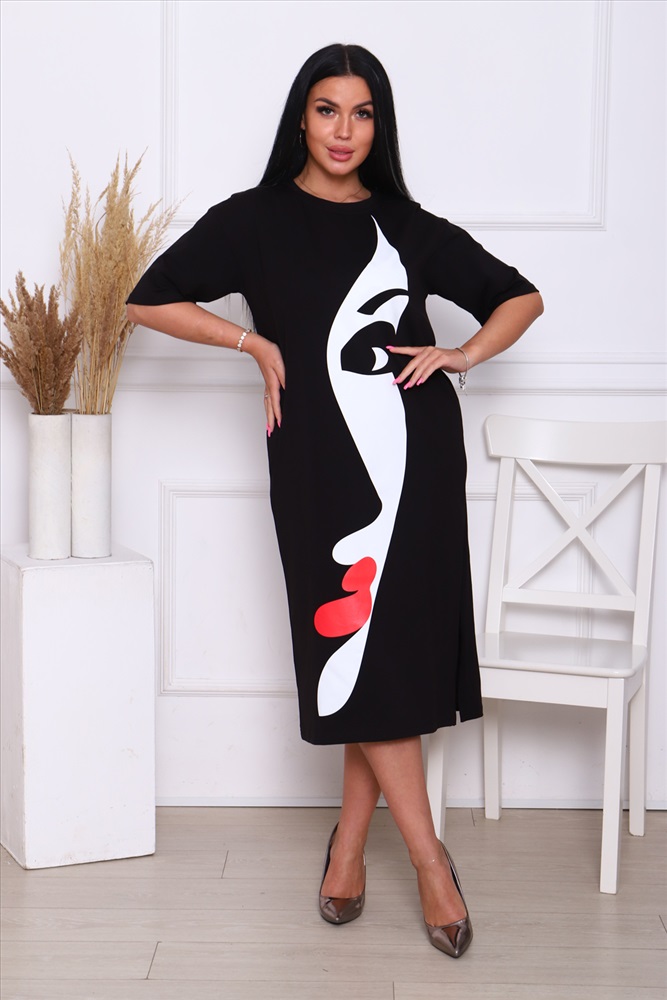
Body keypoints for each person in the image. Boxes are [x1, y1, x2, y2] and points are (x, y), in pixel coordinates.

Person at [127, 43, 543, 959]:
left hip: (414, 460)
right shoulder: (253, 220)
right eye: (326, 110)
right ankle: (406, 854)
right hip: (315, 462)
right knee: (350, 648)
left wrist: (461, 355)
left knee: (382, 654)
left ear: (378, 125)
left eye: (361, 113)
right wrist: (253, 345)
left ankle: (382, 855)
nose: (343, 131)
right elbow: (149, 299)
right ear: (301, 118)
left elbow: (519, 297)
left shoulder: (407, 225)